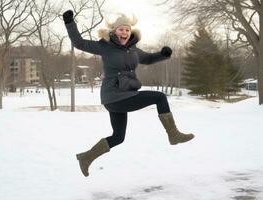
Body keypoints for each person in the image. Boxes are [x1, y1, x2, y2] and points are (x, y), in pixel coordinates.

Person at [63, 10, 195, 177]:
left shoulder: (133, 50)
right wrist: (69, 23)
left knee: (118, 137)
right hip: (113, 95)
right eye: (121, 29)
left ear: (130, 32)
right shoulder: (105, 46)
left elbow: (147, 58)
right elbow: (79, 43)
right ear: (114, 31)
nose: (124, 32)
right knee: (159, 97)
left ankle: (86, 157)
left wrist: (163, 55)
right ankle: (173, 135)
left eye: (127, 29)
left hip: (125, 95)